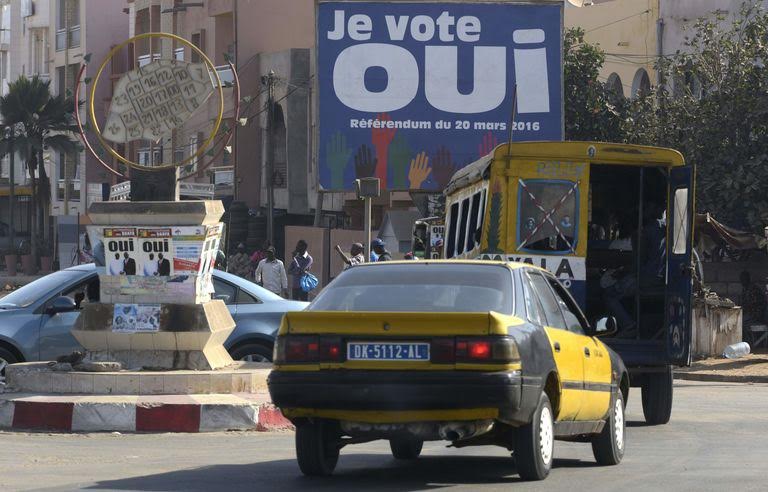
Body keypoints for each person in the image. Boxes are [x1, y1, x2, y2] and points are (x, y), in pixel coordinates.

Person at [740, 271, 767, 340]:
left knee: (740, 322)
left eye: (744, 279)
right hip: (750, 313)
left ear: (748, 279)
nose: (742, 281)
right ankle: (749, 340)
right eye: (741, 279)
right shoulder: (745, 289)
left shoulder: (754, 289)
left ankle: (748, 341)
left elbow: (753, 304)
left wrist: (743, 309)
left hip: (756, 314)